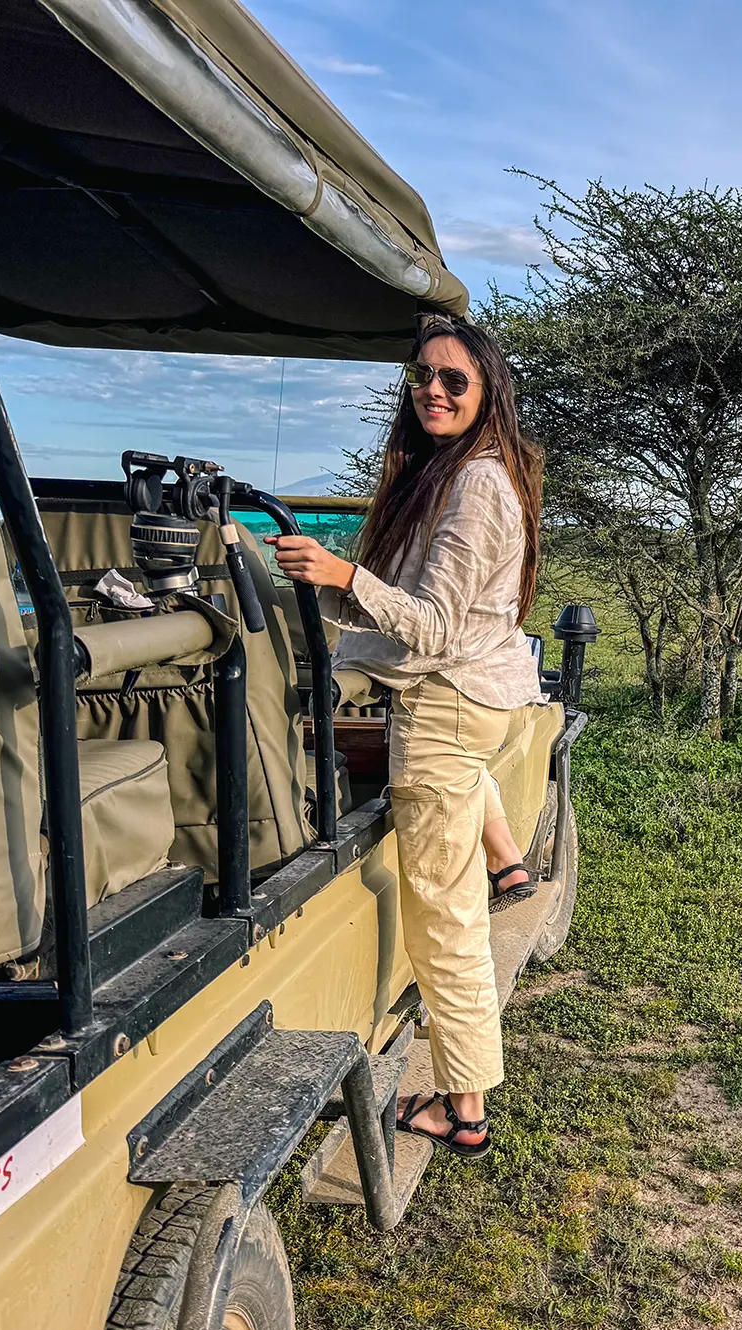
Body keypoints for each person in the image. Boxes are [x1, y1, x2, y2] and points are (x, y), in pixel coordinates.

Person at [269, 312, 544, 1158]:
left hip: (443, 708)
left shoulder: (475, 485)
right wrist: (325, 585)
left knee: (447, 922)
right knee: (455, 901)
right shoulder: (463, 472)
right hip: (473, 698)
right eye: (422, 376)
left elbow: (428, 624)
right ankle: (511, 866)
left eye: (454, 380)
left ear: (487, 390)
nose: (433, 389)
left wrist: (345, 574)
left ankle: (464, 1112)